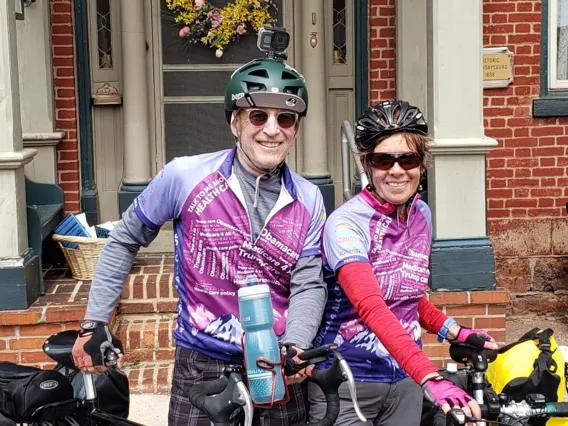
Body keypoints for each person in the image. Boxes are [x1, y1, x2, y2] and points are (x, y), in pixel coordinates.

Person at [71, 55, 328, 426]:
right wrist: (95, 322)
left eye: (285, 118)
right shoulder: (185, 176)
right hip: (202, 364)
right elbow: (125, 239)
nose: (272, 129)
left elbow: (308, 283)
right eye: (259, 116)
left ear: (295, 129)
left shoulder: (309, 198)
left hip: (276, 362)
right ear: (235, 122)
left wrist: (296, 343)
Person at [308, 100, 499, 426]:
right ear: (367, 164)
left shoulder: (421, 216)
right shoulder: (346, 224)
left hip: (404, 380)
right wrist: (430, 376)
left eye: (407, 158)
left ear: (421, 164)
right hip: (346, 383)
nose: (397, 170)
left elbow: (405, 295)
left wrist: (453, 330)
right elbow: (372, 306)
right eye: (384, 160)